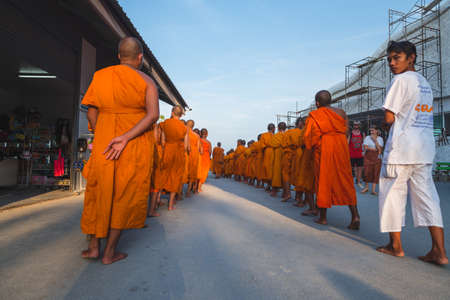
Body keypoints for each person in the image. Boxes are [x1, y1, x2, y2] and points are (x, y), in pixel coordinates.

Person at [80, 37, 159, 264]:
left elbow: (91, 112)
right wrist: (124, 137)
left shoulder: (100, 76)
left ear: (118, 56)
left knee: (99, 190)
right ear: (140, 57)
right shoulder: (147, 82)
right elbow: (152, 115)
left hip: (105, 144)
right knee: (124, 195)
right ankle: (109, 252)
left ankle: (94, 246)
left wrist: (104, 132)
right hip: (132, 145)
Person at [376, 41, 447, 265]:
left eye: (397, 58)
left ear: (411, 57)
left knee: (392, 196)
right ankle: (439, 251)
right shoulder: (423, 82)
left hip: (401, 149)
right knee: (428, 199)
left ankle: (395, 246)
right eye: (389, 59)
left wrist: (385, 123)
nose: (392, 63)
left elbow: (389, 117)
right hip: (424, 149)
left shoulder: (400, 81)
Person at [303, 90, 360, 229]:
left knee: (323, 180)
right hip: (340, 146)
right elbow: (346, 131)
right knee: (345, 180)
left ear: (317, 103)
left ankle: (323, 217)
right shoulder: (341, 113)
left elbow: (310, 137)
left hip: (325, 147)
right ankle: (355, 216)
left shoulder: (315, 115)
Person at [158, 106, 189, 211]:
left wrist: (167, 148)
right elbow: (185, 146)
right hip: (179, 154)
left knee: (163, 175)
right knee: (175, 177)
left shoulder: (165, 123)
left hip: (167, 151)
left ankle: (157, 199)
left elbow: (162, 141)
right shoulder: (184, 128)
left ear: (172, 113)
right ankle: (170, 205)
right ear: (181, 115)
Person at [361, 126, 383, 195]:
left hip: (377, 158)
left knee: (375, 172)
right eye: (370, 131)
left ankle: (373, 190)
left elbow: (380, 150)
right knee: (366, 172)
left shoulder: (380, 139)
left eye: (373, 130)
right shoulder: (367, 137)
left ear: (376, 131)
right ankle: (366, 187)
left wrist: (375, 141)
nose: (371, 132)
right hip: (368, 157)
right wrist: (375, 149)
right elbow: (365, 147)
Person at [270, 122, 286, 197]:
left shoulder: (276, 135)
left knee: (276, 172)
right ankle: (285, 192)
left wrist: (279, 144)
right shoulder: (287, 134)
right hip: (286, 153)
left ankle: (274, 191)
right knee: (285, 173)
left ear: (278, 128)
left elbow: (273, 144)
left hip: (278, 154)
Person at [186, 120, 201, 197]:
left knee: (183, 172)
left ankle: (178, 194)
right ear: (193, 126)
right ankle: (188, 191)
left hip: (185, 153)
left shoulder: (184, 132)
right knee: (192, 172)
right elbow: (198, 148)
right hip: (194, 153)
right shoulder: (197, 136)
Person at [349, 121, 365, 189]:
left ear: (359, 126)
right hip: (351, 154)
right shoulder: (350, 134)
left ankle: (358, 181)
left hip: (359, 154)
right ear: (353, 125)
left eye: (357, 125)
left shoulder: (362, 133)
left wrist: (364, 151)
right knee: (351, 169)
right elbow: (347, 142)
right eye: (355, 125)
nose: (356, 126)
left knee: (360, 168)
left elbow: (364, 143)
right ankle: (351, 182)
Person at [261, 124, 275, 191]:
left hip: (269, 151)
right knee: (270, 169)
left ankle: (270, 185)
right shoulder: (265, 135)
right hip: (271, 151)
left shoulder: (264, 135)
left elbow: (262, 145)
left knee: (269, 169)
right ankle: (270, 185)